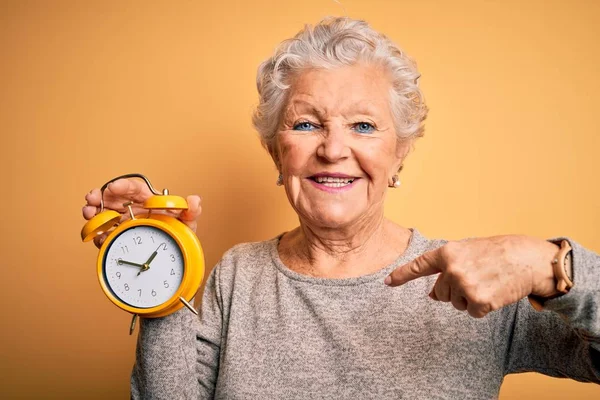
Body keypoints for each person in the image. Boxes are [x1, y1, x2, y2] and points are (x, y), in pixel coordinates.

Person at [82, 17, 599, 399]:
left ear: (400, 153)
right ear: (276, 152)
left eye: (364, 125)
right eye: (306, 124)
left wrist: (551, 266)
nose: (332, 149)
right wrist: (166, 271)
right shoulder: (236, 277)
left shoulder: (476, 280)